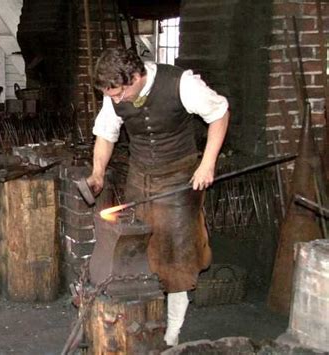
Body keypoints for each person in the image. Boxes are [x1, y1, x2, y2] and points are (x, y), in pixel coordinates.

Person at [86, 48, 229, 346]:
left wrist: (207, 163)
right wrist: (98, 172)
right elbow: (106, 132)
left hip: (178, 178)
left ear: (136, 77)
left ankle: (172, 333)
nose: (115, 100)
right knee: (139, 250)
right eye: (109, 94)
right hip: (140, 177)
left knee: (176, 258)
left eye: (118, 93)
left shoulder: (182, 84)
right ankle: (145, 318)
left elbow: (219, 113)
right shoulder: (115, 91)